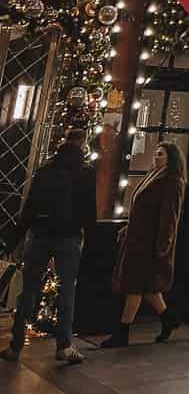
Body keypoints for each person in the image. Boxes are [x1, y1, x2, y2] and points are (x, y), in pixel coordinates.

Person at [1, 126, 97, 367]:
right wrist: (91, 239)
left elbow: (30, 207)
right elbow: (89, 210)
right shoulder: (85, 172)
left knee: (29, 290)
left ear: (64, 142)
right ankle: (64, 345)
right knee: (67, 291)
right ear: (83, 143)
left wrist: (14, 240)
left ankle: (15, 344)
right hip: (68, 238)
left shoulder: (46, 170)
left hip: (40, 236)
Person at [100, 141, 185, 347]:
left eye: (161, 155)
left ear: (171, 158)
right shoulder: (152, 176)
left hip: (148, 244)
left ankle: (122, 333)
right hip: (138, 240)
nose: (156, 158)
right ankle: (168, 318)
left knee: (134, 287)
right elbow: (143, 210)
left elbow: (169, 217)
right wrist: (129, 228)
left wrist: (163, 245)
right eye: (156, 154)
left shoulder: (172, 181)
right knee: (146, 288)